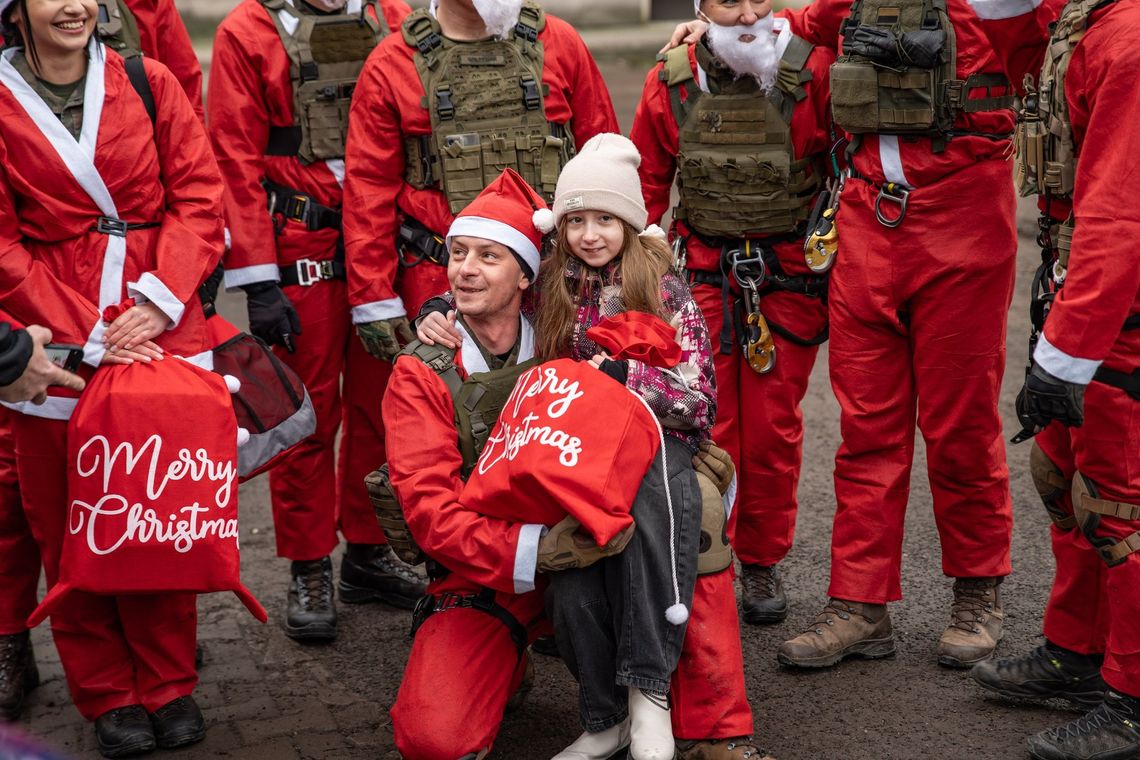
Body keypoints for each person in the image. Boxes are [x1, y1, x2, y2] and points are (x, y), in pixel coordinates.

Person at [668, 0, 1020, 668]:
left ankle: (977, 592)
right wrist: (706, 33)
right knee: (866, 430)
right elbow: (785, 26)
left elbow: (1069, 43)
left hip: (965, 221)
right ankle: (859, 604)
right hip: (864, 221)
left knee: (961, 425)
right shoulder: (847, 3)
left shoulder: (1002, 6)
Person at [421, 141, 770, 760]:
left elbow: (699, 399)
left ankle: (649, 693)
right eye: (575, 220)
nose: (588, 235)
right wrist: (442, 306)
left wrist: (625, 382)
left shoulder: (661, 285)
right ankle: (605, 715)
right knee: (576, 560)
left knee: (642, 508)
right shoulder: (554, 282)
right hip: (577, 445)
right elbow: (495, 286)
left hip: (660, 440)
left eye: (604, 219)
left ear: (630, 221)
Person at [0, 0, 226, 751]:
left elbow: (200, 195)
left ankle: (168, 680)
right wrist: (82, 332)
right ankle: (104, 691)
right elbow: (1, 242)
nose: (75, 5)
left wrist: (159, 302)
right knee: (68, 520)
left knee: (158, 507)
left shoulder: (148, 79)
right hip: (50, 339)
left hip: (159, 316)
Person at [382, 170, 635, 760]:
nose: (465, 269)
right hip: (484, 569)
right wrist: (536, 551)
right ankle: (505, 649)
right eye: (458, 254)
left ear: (526, 275)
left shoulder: (564, 338)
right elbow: (431, 514)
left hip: (586, 550)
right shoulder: (421, 371)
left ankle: (704, 726)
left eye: (489, 256)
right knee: (433, 741)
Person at [208, 0, 425, 643]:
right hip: (302, 246)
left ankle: (366, 550)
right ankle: (309, 566)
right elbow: (233, 162)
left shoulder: (397, 15)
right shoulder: (246, 32)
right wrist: (259, 279)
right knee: (306, 415)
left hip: (387, 246)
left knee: (382, 406)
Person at [962, 0, 1140, 757]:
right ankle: (1077, 652)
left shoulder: (1128, 40)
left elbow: (1122, 215)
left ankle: (1132, 698)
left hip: (1119, 307)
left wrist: (1069, 351)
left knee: (1119, 506)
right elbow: (1008, 43)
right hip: (1082, 290)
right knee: (1062, 478)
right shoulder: (1082, 21)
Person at [630, 0, 835, 626]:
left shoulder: (816, 68)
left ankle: (763, 561)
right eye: (726, 2)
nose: (746, 12)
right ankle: (705, 549)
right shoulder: (670, 78)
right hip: (702, 280)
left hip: (788, 279)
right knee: (703, 427)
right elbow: (646, 187)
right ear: (698, 6)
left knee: (773, 431)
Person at [341, 0, 617, 364]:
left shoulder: (561, 43)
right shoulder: (391, 62)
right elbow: (368, 191)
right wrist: (374, 300)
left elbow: (606, 164)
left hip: (560, 285)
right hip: (441, 291)